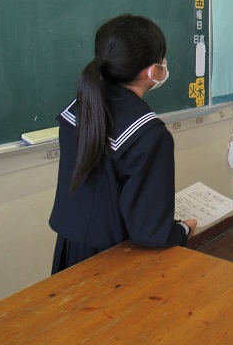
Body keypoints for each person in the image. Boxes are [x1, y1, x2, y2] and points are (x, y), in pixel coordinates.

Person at [49, 14, 197, 274]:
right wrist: (184, 229)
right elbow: (150, 232)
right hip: (116, 259)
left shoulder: (79, 108)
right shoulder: (150, 134)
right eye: (162, 59)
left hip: (70, 248)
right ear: (151, 71)